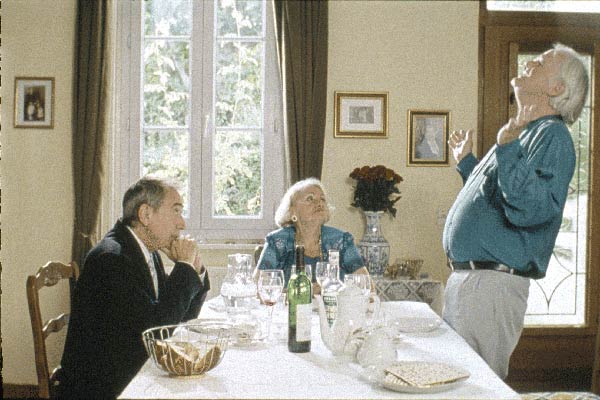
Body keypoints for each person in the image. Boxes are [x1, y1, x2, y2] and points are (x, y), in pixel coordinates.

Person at [442, 43, 588, 379]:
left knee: (478, 389)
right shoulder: (526, 133)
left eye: (542, 62)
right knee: (460, 387)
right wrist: (467, 163)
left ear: (557, 89)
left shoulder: (553, 137)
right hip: (474, 283)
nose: (531, 62)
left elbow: (531, 210)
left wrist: (507, 146)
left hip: (490, 286)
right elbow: (498, 198)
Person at [59, 177, 210, 399]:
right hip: (103, 388)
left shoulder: (144, 250)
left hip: (129, 369)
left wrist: (194, 267)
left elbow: (180, 317)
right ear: (145, 214)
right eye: (176, 211)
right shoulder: (112, 259)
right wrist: (184, 267)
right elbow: (157, 331)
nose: (182, 224)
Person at [257, 177, 368, 288]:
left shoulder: (341, 240)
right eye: (310, 198)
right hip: (291, 300)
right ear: (292, 211)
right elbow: (259, 286)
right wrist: (306, 291)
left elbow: (366, 284)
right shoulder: (277, 241)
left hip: (333, 299)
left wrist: (333, 289)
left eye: (322, 199)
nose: (319, 203)